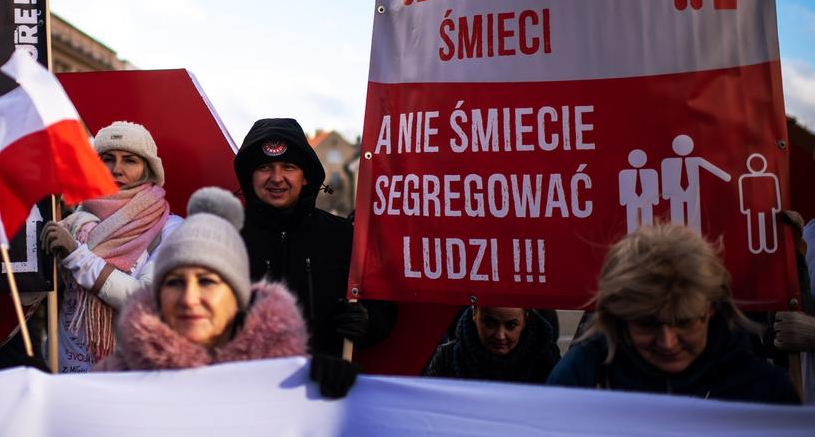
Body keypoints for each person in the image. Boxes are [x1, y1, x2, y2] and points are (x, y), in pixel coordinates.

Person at [98, 187, 359, 398]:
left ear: (236, 294)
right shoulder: (116, 375)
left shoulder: (291, 376)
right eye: (175, 282)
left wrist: (331, 395)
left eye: (208, 282)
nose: (190, 299)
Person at [547, 224, 799, 404]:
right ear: (620, 318)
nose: (667, 342)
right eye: (647, 324)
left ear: (711, 310)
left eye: (685, 323)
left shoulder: (762, 389)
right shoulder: (582, 376)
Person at [234, 118, 395, 356]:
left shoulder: (343, 237)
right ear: (250, 176)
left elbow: (384, 308)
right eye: (265, 167)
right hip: (244, 386)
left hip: (322, 386)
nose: (277, 178)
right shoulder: (226, 239)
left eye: (288, 166)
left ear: (305, 176)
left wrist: (367, 323)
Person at [40, 121, 183, 372]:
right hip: (65, 372)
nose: (117, 169)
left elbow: (148, 300)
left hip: (130, 375)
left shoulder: (170, 229)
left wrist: (76, 255)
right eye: (107, 159)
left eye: (130, 160)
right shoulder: (73, 220)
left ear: (148, 168)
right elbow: (43, 294)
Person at [424, 306, 560, 383]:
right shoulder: (446, 358)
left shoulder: (546, 359)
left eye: (511, 325)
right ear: (474, 314)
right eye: (489, 323)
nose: (500, 336)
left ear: (525, 319)